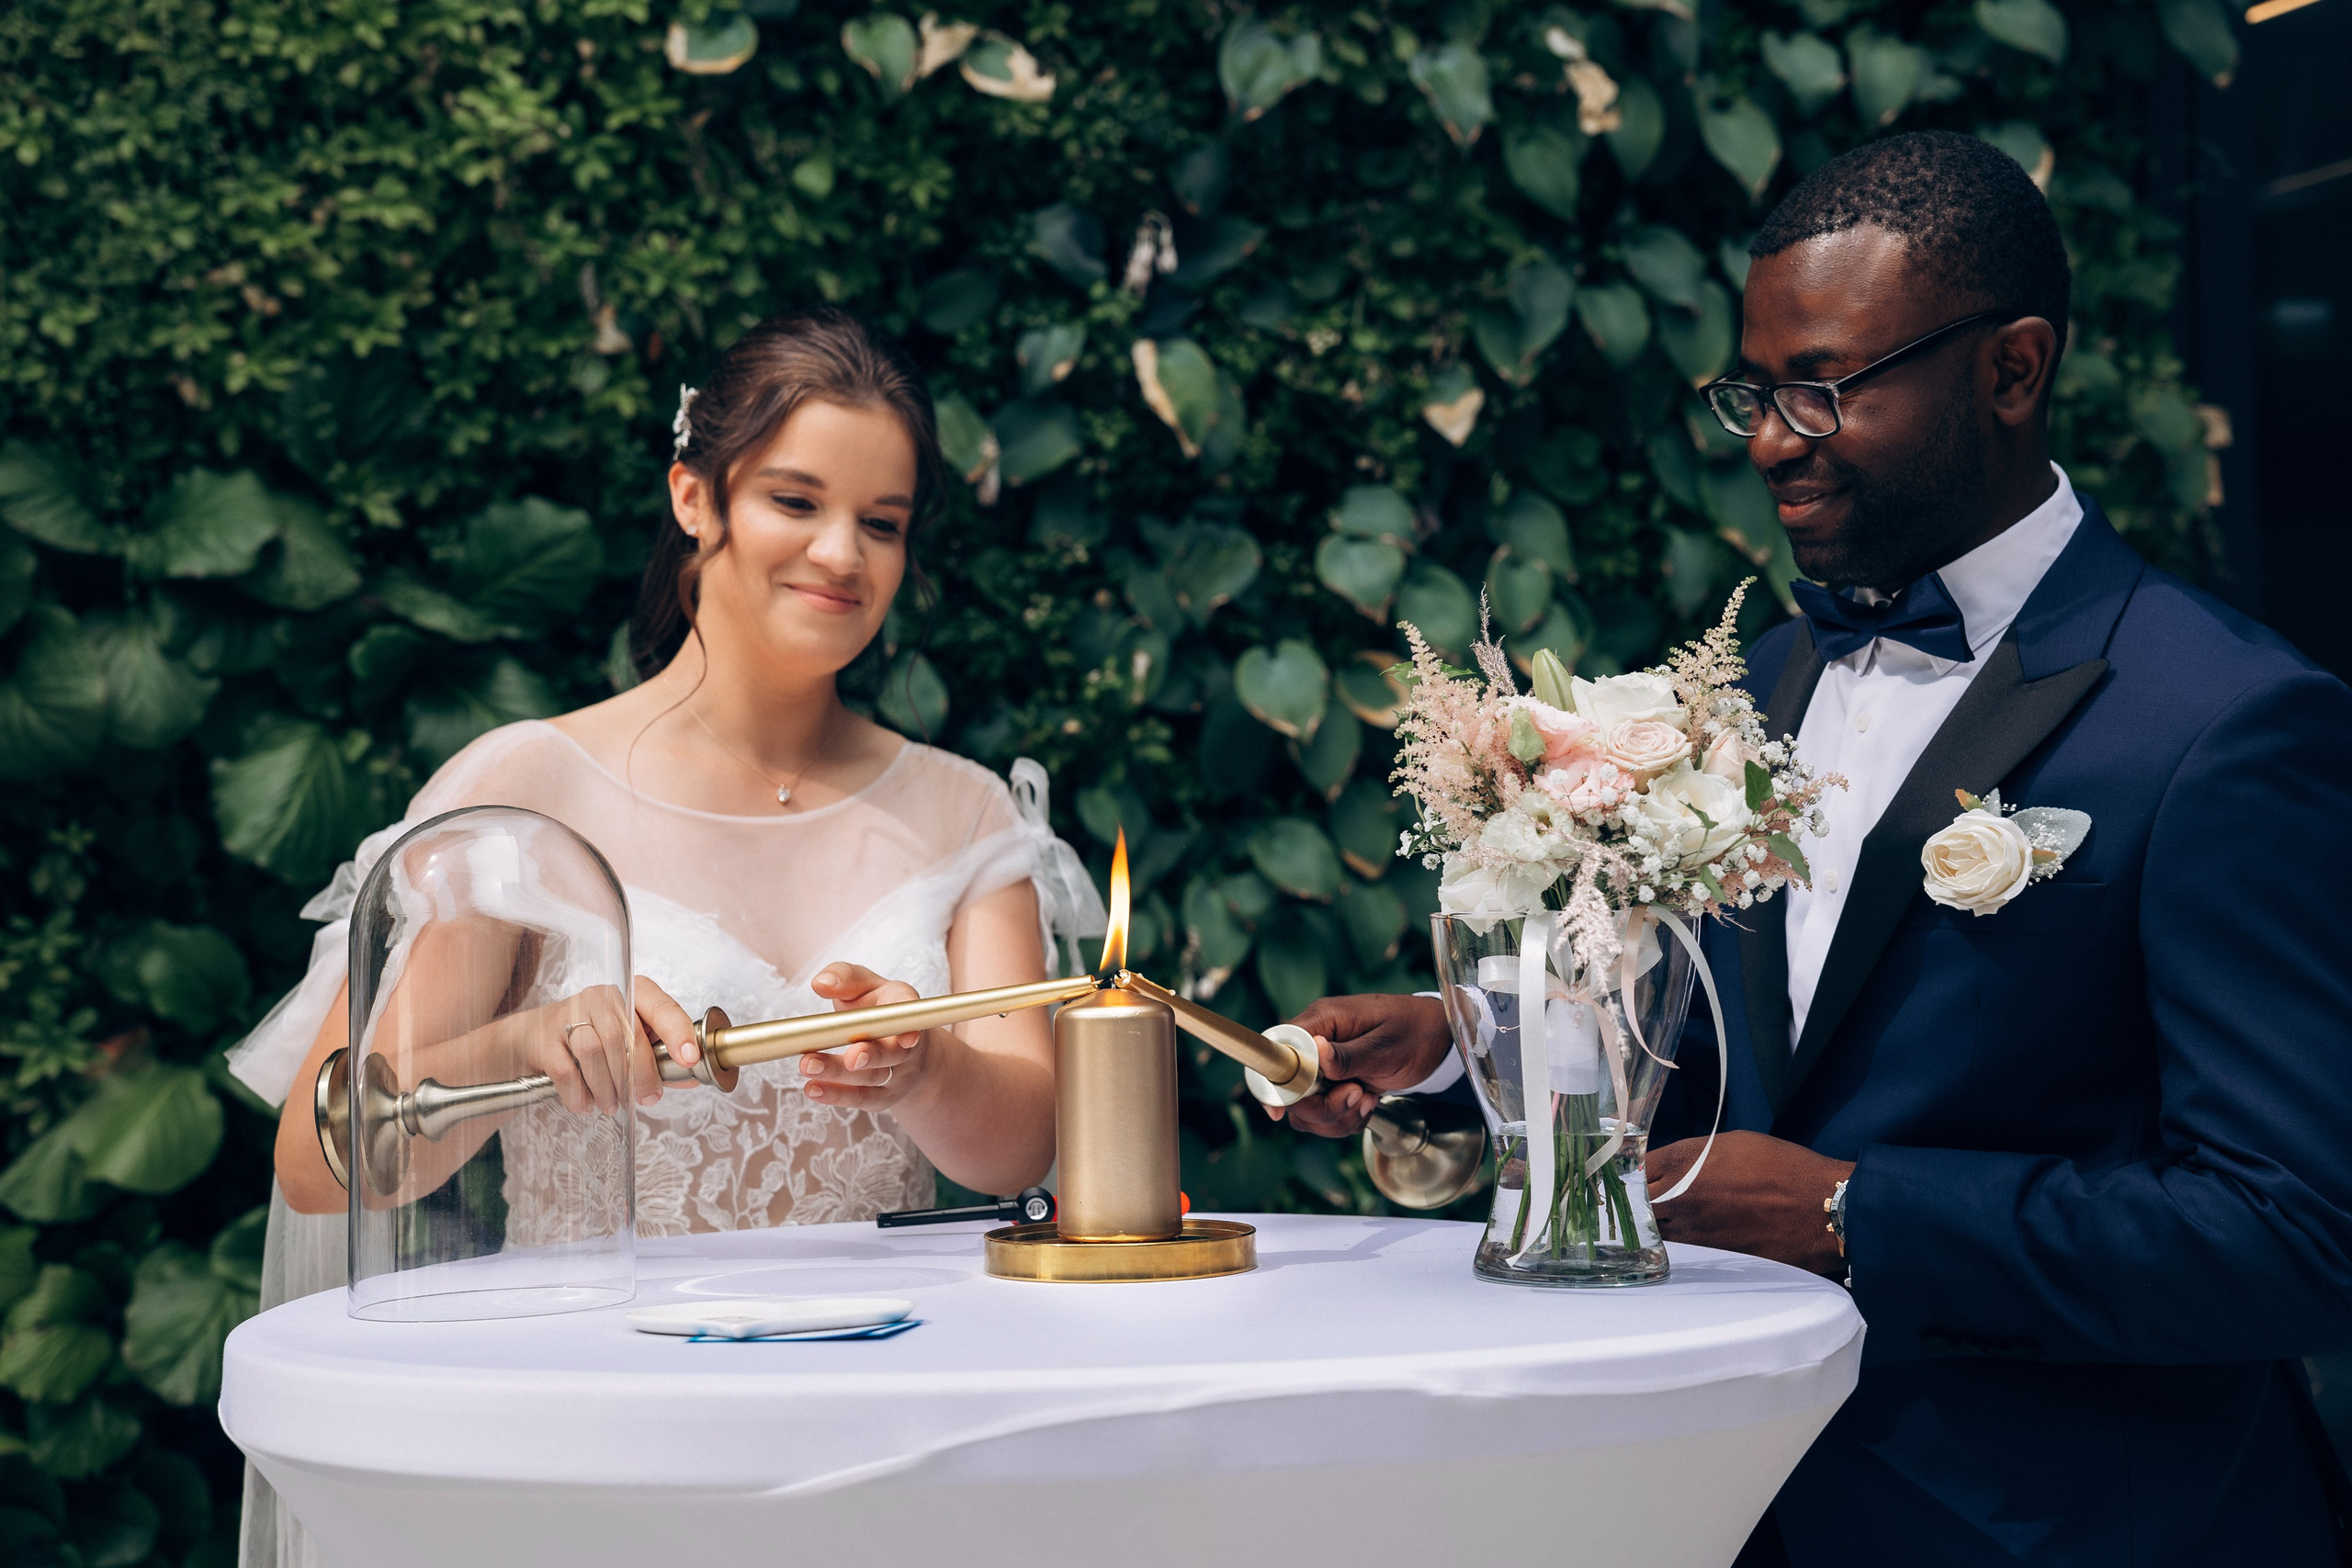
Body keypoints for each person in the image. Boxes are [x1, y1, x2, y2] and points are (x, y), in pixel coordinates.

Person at [1275, 131, 2352, 1564]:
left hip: (2083, 1524)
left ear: (2011, 370)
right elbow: (1756, 1045)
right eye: (1755, 392)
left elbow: (2298, 1236)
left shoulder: (2226, 721)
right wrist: (1472, 1052)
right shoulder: (1766, 679)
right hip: (1749, 1501)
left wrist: (1860, 1217)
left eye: (1824, 389)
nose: (1772, 439)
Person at [227, 307, 1102, 1567]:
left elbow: (1023, 1138)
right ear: (696, 497)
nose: (842, 553)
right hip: (597, 1428)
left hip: (887, 1434)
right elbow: (326, 1163)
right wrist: (527, 1038)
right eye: (796, 501)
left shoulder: (961, 809)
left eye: (885, 522)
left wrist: (926, 1067)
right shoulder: (532, 792)